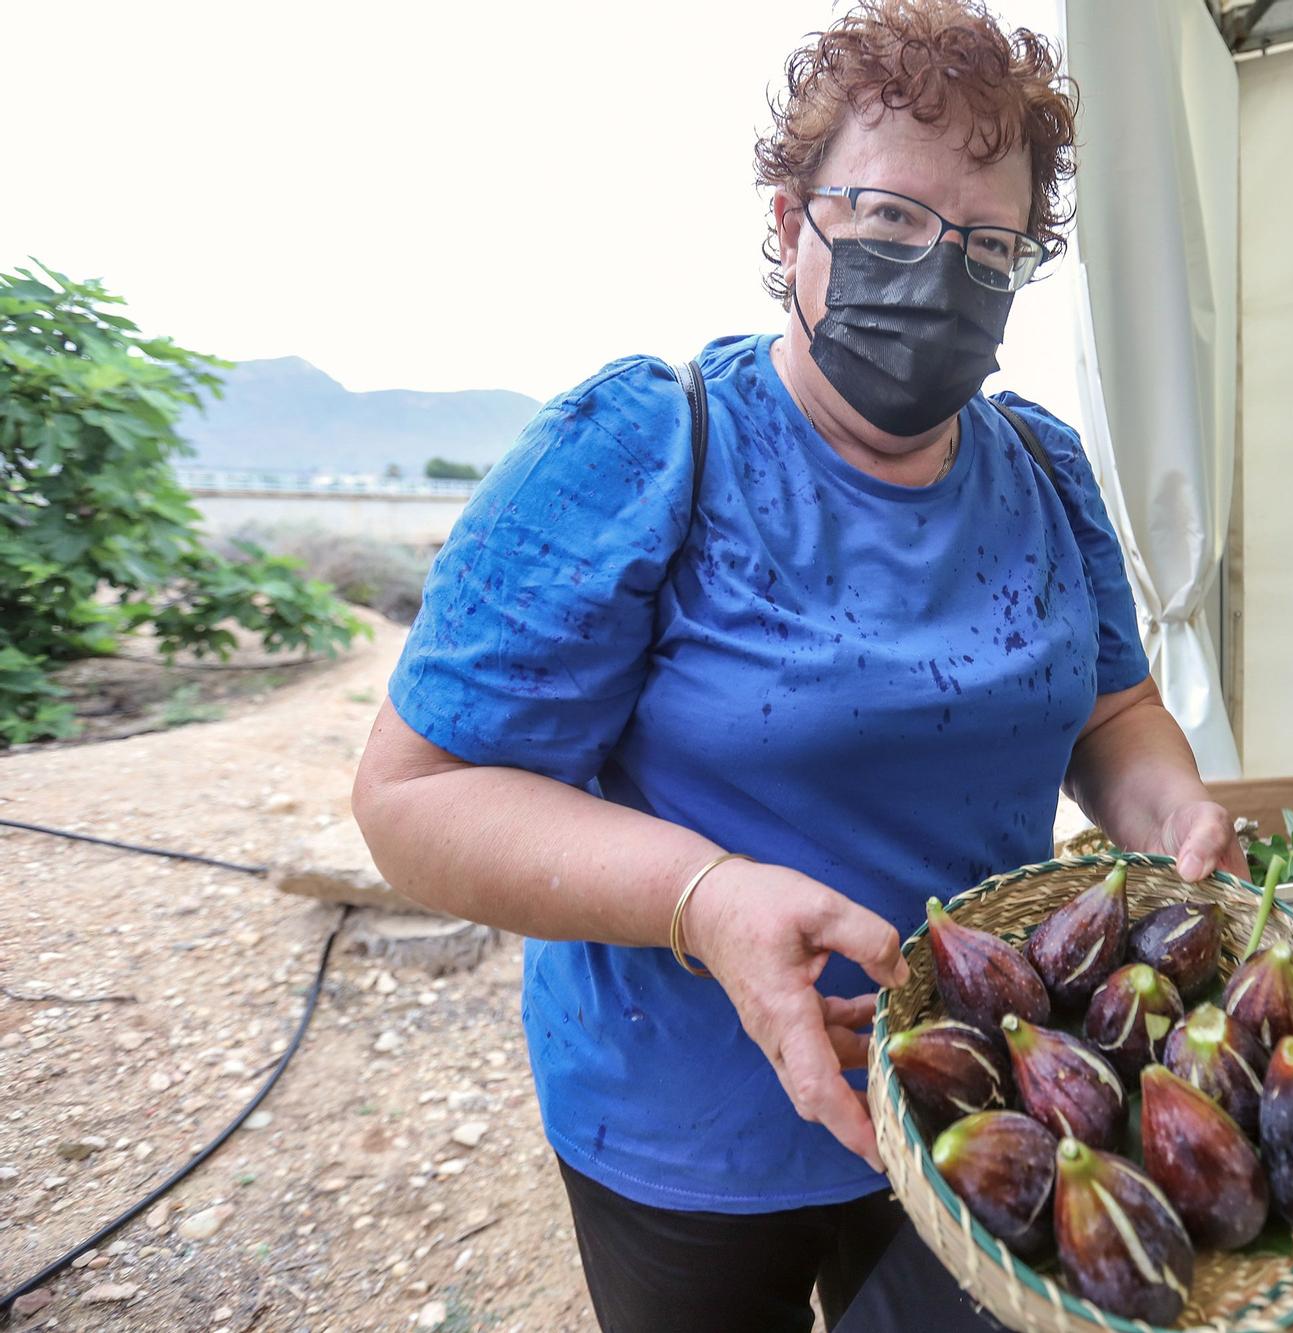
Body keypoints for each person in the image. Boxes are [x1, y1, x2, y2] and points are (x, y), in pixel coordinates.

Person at [351, 2, 1245, 1328]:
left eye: (987, 246)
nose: (938, 275)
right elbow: (412, 798)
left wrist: (1169, 808)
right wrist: (702, 896)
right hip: (691, 1132)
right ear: (789, 226)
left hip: (981, 1093)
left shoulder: (1048, 469)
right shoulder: (649, 446)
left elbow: (1112, 706)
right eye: (887, 221)